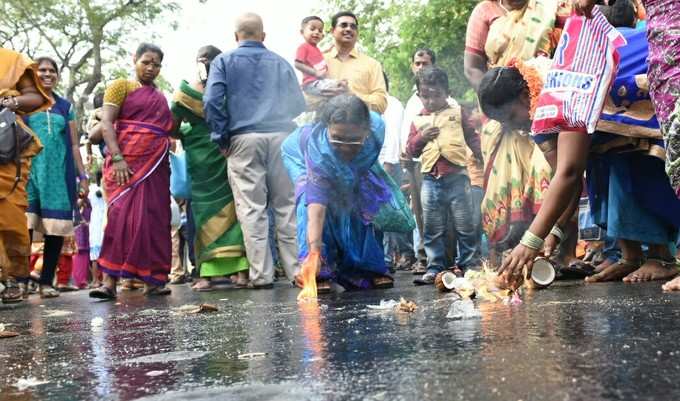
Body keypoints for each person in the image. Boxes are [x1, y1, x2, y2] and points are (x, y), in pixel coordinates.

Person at [464, 0, 571, 266]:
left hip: (543, 96)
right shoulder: (485, 11)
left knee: (553, 171)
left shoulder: (551, 6)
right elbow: (472, 67)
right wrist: (497, 96)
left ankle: (558, 251)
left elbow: (568, 175)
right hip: (504, 102)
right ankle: (517, 253)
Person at [204, 13, 305, 289]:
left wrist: (221, 137)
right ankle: (297, 272)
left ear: (236, 36)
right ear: (263, 36)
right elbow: (298, 104)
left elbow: (212, 101)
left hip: (244, 139)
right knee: (286, 206)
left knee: (252, 209)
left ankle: (262, 275)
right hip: (282, 137)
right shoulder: (280, 62)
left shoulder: (223, 61)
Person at [282, 94, 410, 291]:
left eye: (353, 140)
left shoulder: (377, 129)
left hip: (356, 169)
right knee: (308, 202)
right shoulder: (319, 150)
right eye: (338, 138)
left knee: (362, 201)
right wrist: (314, 252)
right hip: (299, 156)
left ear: (366, 130)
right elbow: (317, 208)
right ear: (327, 128)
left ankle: (367, 268)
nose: (345, 147)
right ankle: (318, 269)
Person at [89, 43, 174, 299]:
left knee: (155, 220)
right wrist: (117, 158)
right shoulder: (120, 86)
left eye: (156, 64)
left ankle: (154, 281)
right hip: (124, 164)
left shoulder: (160, 96)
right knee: (120, 219)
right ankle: (108, 283)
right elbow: (106, 122)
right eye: (146, 61)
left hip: (155, 165)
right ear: (134, 59)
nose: (150, 68)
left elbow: (166, 128)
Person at [171, 45, 249, 292]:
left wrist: (188, 131)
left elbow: (172, 129)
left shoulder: (185, 94)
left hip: (212, 156)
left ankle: (211, 275)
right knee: (225, 212)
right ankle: (234, 273)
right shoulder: (232, 91)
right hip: (216, 155)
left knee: (217, 213)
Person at [406, 67, 483, 285]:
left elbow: (472, 137)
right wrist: (421, 137)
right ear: (419, 95)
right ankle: (435, 267)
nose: (430, 101)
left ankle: (469, 265)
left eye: (436, 95)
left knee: (465, 224)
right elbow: (411, 149)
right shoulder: (418, 120)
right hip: (431, 180)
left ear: (447, 93)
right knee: (432, 227)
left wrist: (481, 155)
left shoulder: (457, 113)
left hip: (458, 177)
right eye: (425, 96)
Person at [25, 56, 88, 298]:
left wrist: (82, 176)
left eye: (52, 71)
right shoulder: (24, 103)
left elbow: (74, 145)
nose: (47, 74)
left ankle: (46, 283)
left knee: (55, 230)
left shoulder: (65, 107)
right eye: (42, 70)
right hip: (29, 172)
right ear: (33, 74)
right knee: (25, 228)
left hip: (58, 175)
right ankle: (19, 281)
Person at [0, 48, 51, 303]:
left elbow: (34, 96)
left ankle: (11, 277)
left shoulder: (12, 60)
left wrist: (12, 102)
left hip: (6, 146)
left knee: (10, 218)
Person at [400, 48, 436, 275]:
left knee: (434, 211)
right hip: (412, 160)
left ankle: (435, 259)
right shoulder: (412, 101)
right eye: (417, 63)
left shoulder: (443, 98)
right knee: (418, 212)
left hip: (432, 162)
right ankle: (422, 257)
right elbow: (406, 131)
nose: (421, 67)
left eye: (425, 63)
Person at [323, 11, 387, 113]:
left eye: (353, 27)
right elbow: (304, 100)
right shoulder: (320, 61)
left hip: (360, 125)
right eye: (343, 25)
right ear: (332, 31)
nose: (348, 29)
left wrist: (351, 96)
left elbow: (381, 104)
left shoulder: (372, 64)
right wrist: (324, 94)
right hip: (325, 124)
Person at [380, 74, 412, 271]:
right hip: (372, 164)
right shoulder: (367, 103)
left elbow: (393, 135)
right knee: (378, 213)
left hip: (387, 165)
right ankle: (385, 257)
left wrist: (389, 164)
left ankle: (402, 253)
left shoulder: (392, 104)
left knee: (392, 211)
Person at [294, 16, 343, 97]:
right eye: (312, 29)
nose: (317, 32)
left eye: (320, 31)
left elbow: (315, 57)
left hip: (320, 82)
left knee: (341, 85)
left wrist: (328, 50)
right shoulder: (303, 47)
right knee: (335, 90)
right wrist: (315, 73)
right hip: (311, 84)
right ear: (302, 32)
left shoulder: (316, 49)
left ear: (322, 36)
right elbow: (297, 64)